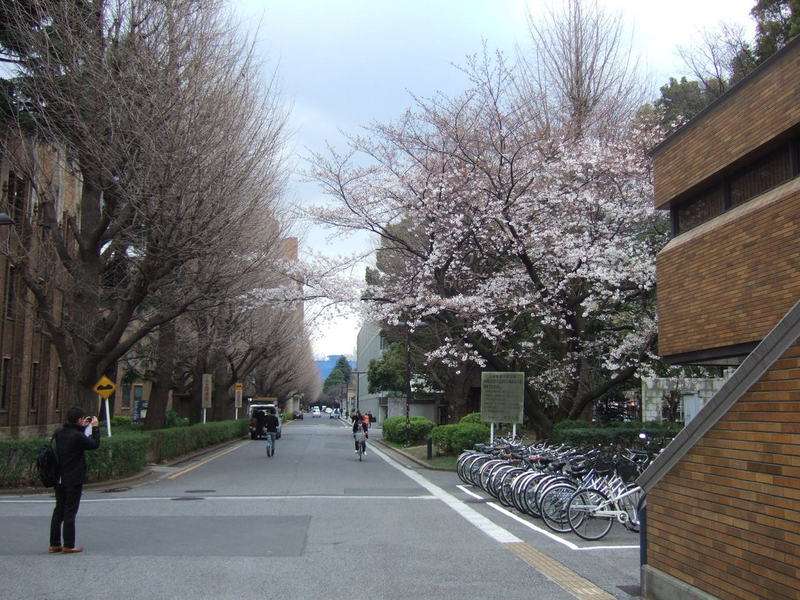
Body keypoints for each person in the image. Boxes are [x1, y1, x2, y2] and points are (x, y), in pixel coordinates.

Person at [49, 406, 101, 554]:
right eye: (82, 419)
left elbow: (71, 440)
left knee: (59, 510)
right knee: (70, 511)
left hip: (58, 478)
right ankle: (69, 545)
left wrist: (81, 427)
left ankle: (54, 544)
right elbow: (94, 444)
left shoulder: (59, 433)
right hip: (73, 478)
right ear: (79, 420)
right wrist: (95, 428)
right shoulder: (77, 436)